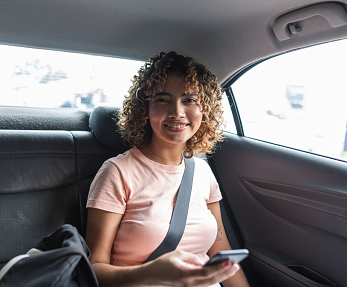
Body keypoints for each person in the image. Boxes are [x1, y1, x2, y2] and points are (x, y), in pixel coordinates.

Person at [85, 51, 250, 287]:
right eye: (162, 99)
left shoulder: (203, 173)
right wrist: (152, 273)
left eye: (189, 99)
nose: (177, 112)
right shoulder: (117, 172)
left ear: (204, 110)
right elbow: (94, 270)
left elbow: (220, 250)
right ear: (145, 109)